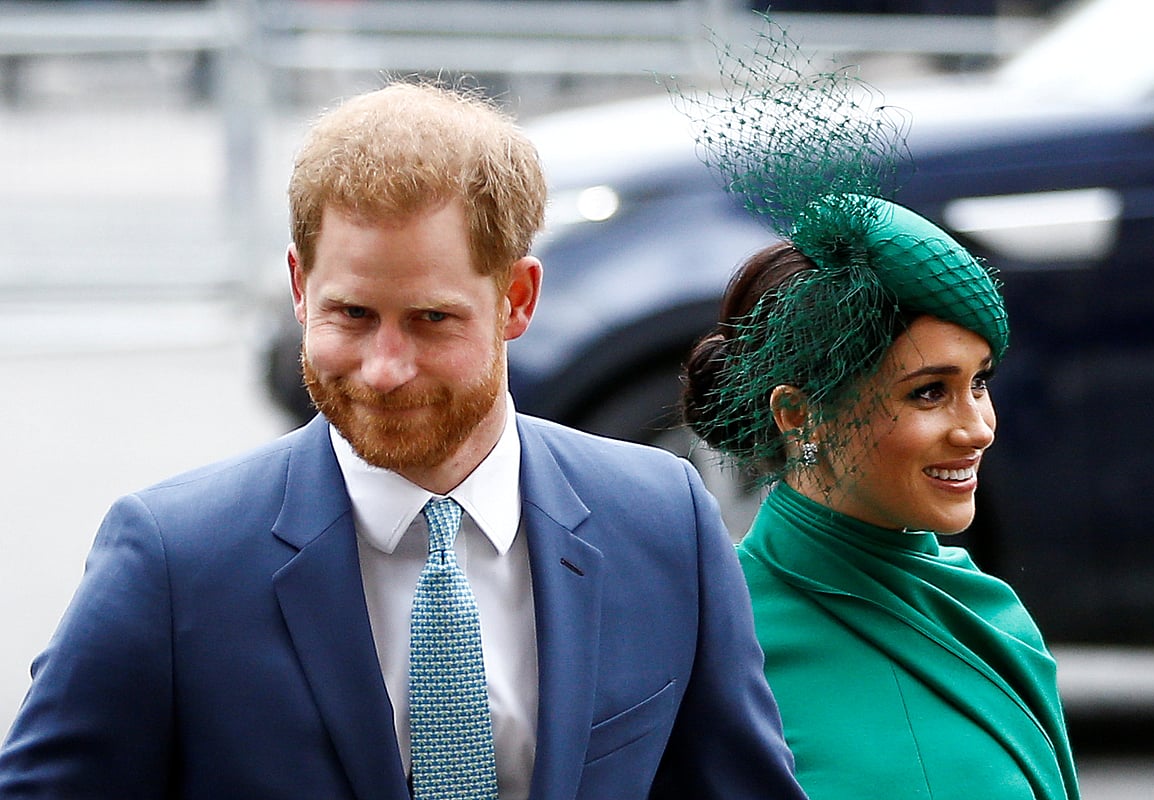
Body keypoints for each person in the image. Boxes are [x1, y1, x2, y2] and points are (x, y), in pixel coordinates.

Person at [0, 81, 805, 800]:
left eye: (431, 319)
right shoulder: (173, 558)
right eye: (351, 315)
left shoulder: (663, 521)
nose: (384, 369)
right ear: (297, 287)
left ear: (517, 299)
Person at [675, 24, 1079, 800]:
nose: (977, 427)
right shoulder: (721, 648)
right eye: (928, 392)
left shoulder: (987, 605)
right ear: (798, 414)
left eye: (980, 383)